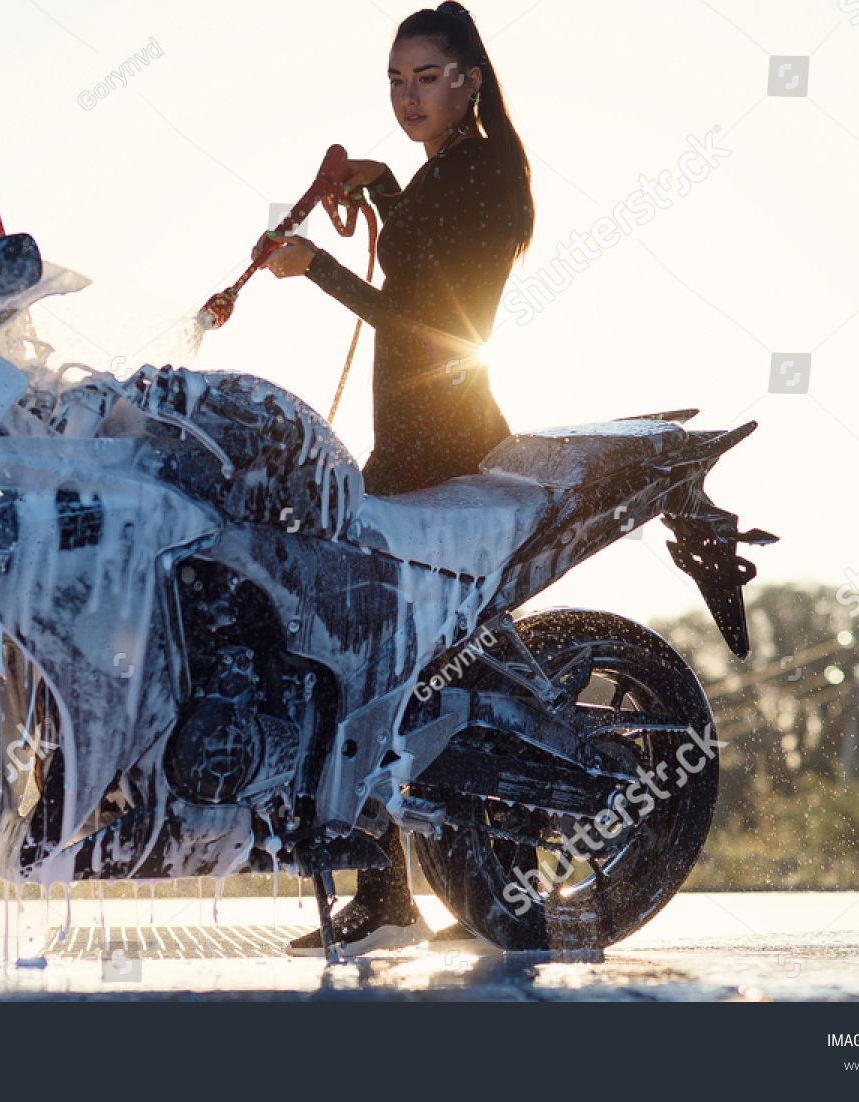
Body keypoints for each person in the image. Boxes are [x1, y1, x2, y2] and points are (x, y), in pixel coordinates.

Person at [263, 2, 535, 956]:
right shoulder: (452, 170)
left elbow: (421, 314)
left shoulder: (484, 171)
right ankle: (396, 895)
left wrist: (316, 267)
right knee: (390, 667)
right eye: (395, 80)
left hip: (445, 449)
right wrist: (379, 190)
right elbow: (422, 250)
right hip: (416, 445)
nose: (408, 96)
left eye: (426, 77)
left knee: (366, 660)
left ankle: (389, 901)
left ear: (467, 79)